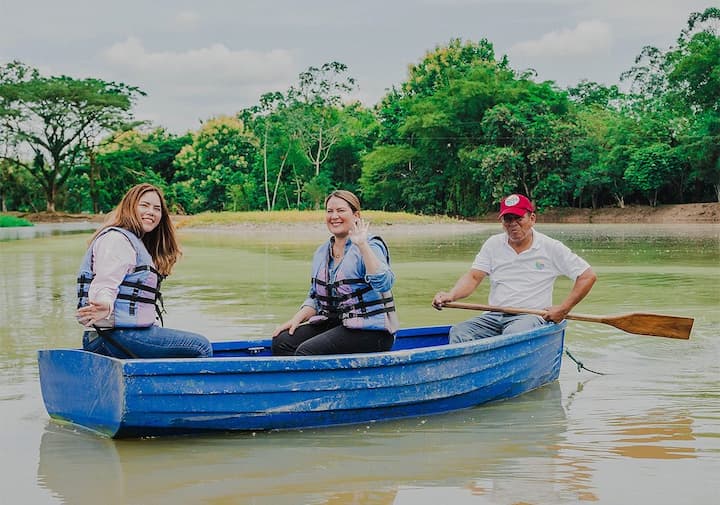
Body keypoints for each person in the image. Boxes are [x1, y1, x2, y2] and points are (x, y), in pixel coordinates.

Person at [432, 193, 597, 343]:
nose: (513, 224)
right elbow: (474, 277)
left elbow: (587, 276)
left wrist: (563, 308)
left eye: (518, 218)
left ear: (532, 218)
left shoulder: (550, 247)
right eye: (507, 219)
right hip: (494, 314)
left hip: (530, 316)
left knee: (514, 335)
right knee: (459, 332)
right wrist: (451, 295)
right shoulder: (493, 244)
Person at [76, 183, 212, 358]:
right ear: (129, 207)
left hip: (117, 336)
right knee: (200, 346)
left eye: (157, 209)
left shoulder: (134, 242)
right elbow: (105, 283)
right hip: (111, 336)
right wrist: (104, 304)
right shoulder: (116, 240)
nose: (151, 212)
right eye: (144, 205)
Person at [272, 190, 399, 356]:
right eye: (329, 211)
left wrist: (362, 245)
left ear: (356, 215)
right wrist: (295, 320)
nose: (334, 216)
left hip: (372, 332)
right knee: (282, 342)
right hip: (336, 324)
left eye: (341, 211)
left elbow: (384, 283)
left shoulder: (371, 245)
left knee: (307, 352)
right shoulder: (322, 252)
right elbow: (316, 299)